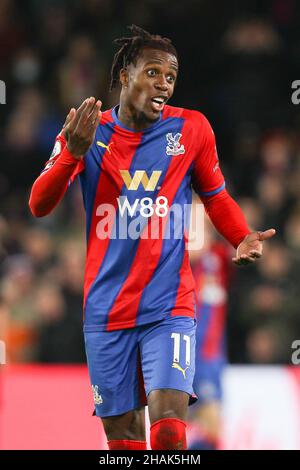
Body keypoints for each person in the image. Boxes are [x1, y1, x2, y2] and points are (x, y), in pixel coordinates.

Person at [29, 25, 275, 450]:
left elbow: (216, 196)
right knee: (124, 443)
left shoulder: (192, 130)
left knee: (168, 432)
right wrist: (71, 152)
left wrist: (240, 236)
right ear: (125, 74)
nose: (164, 84)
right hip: (106, 312)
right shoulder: (87, 131)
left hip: (169, 306)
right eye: (154, 72)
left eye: (171, 77)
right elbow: (38, 205)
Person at [188, 215, 231, 450]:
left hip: (210, 353)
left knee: (212, 422)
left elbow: (249, 239)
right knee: (174, 422)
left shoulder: (219, 257)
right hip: (180, 351)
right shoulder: (176, 260)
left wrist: (213, 214)